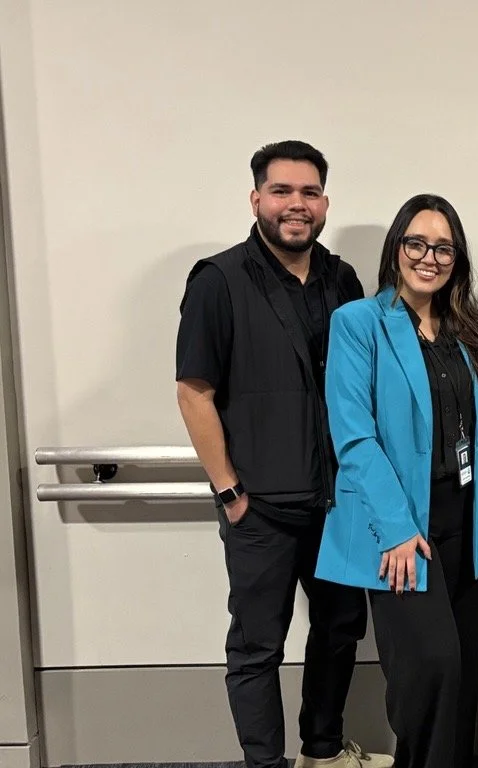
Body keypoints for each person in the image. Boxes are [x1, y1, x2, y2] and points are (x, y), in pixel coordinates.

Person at [175, 140, 391, 768]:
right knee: (256, 648)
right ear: (256, 199)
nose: (296, 205)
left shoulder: (342, 279)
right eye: (282, 191)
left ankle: (322, 751)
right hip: (260, 508)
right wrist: (228, 491)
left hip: (336, 505)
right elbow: (194, 392)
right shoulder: (218, 281)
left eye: (309, 192)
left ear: (324, 201)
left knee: (340, 630)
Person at [316, 194, 478, 768]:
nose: (429, 257)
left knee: (463, 674)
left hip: (464, 521)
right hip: (399, 526)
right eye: (416, 243)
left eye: (443, 247)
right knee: (430, 671)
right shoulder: (358, 324)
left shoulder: (467, 330)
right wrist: (395, 530)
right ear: (396, 248)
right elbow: (353, 436)